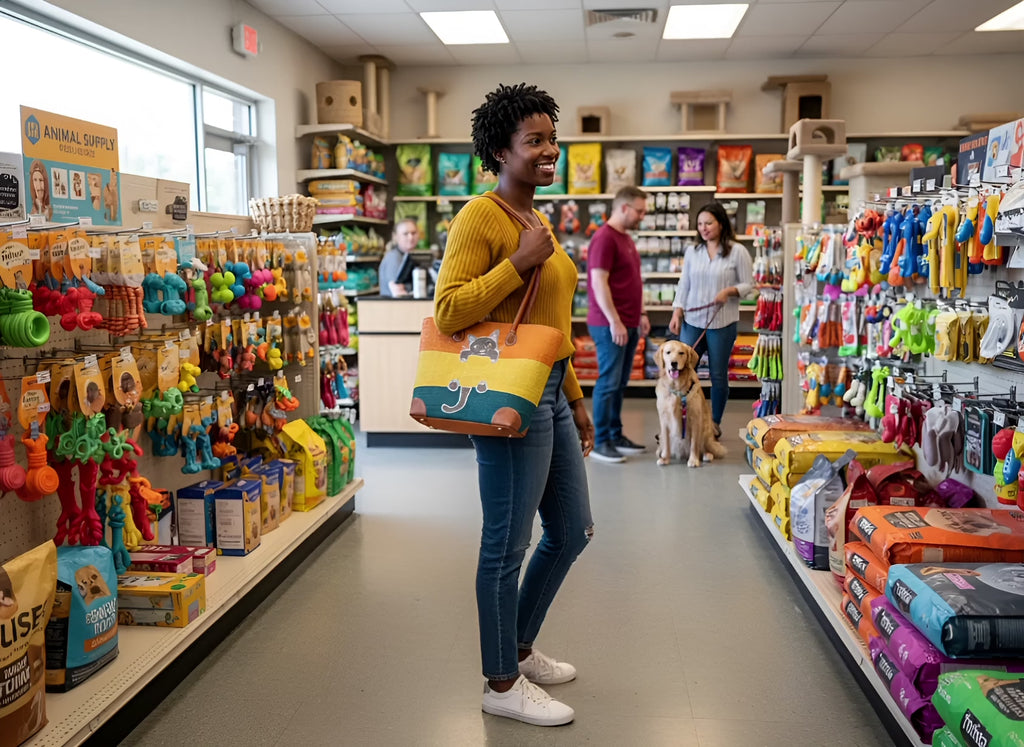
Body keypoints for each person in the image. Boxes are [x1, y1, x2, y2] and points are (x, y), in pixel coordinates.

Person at [433, 83, 594, 728]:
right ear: (500, 151)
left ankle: (518, 650)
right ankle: (499, 682)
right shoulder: (480, 217)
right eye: (535, 141)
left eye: (553, 139)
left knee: (572, 531)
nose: (549, 151)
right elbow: (449, 311)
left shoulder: (538, 221)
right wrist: (516, 266)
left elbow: (553, 319)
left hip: (550, 392)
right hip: (506, 397)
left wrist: (577, 398)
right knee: (506, 545)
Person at [668, 201, 753, 439]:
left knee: (717, 375)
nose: (704, 228)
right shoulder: (692, 252)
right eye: (700, 224)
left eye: (709, 223)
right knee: (682, 371)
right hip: (692, 320)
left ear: (721, 224)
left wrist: (730, 291)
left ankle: (713, 424)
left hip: (722, 323)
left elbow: (749, 285)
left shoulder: (737, 251)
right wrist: (677, 312)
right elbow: (683, 284)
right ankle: (680, 422)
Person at [586, 185, 651, 463]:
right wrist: (615, 321)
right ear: (623, 207)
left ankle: (615, 434)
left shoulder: (625, 238)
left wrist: (642, 314)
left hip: (629, 321)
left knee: (620, 382)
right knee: (609, 383)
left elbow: (633, 280)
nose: (642, 216)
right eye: (639, 211)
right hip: (610, 324)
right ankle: (601, 441)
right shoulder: (604, 238)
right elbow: (598, 282)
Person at [378, 218, 419, 297]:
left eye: (413, 233)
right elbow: (398, 293)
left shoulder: (407, 257)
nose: (410, 237)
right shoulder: (393, 258)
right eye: (405, 234)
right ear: (395, 236)